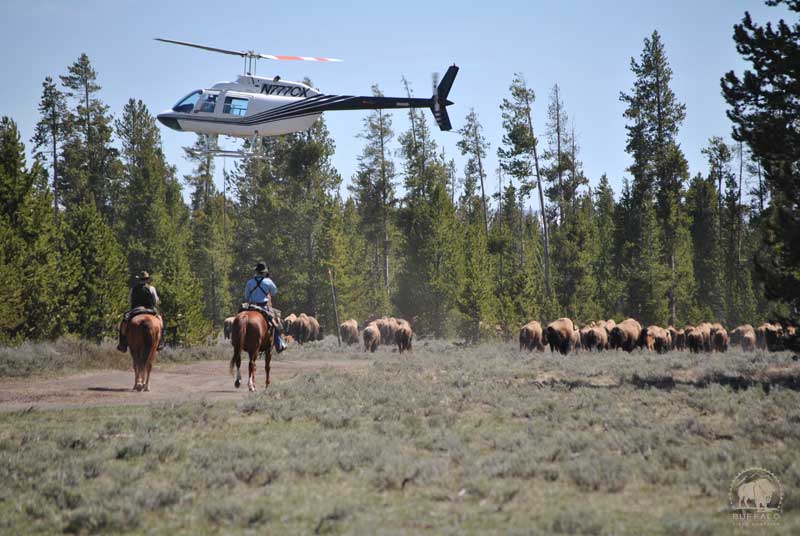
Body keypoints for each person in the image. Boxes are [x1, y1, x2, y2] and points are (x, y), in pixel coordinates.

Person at [117, 271, 164, 352]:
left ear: (139, 279)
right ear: (147, 279)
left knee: (124, 322)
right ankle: (160, 342)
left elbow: (129, 300)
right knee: (160, 322)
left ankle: (122, 344)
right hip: (150, 310)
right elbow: (156, 301)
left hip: (136, 310)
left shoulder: (133, 289)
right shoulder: (151, 288)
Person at [244, 262, 286, 352]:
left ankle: (236, 341)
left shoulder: (250, 282)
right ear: (264, 272)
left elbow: (246, 296)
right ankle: (279, 344)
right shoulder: (268, 281)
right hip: (263, 307)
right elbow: (274, 292)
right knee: (276, 324)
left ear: (256, 272)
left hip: (251, 307)